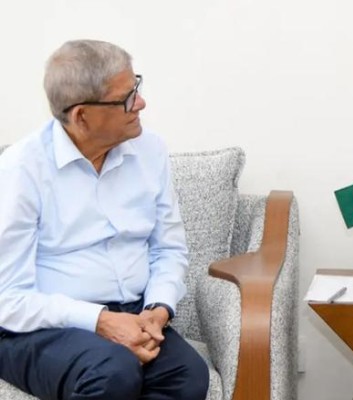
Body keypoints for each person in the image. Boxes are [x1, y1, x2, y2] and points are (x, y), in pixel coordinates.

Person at [0, 40, 209, 400]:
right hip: (39, 327)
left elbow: (168, 248)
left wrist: (158, 308)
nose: (140, 103)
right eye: (126, 98)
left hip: (132, 312)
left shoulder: (150, 151)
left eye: (136, 87)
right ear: (82, 116)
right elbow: (8, 298)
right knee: (112, 371)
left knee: (186, 375)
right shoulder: (21, 170)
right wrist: (99, 320)